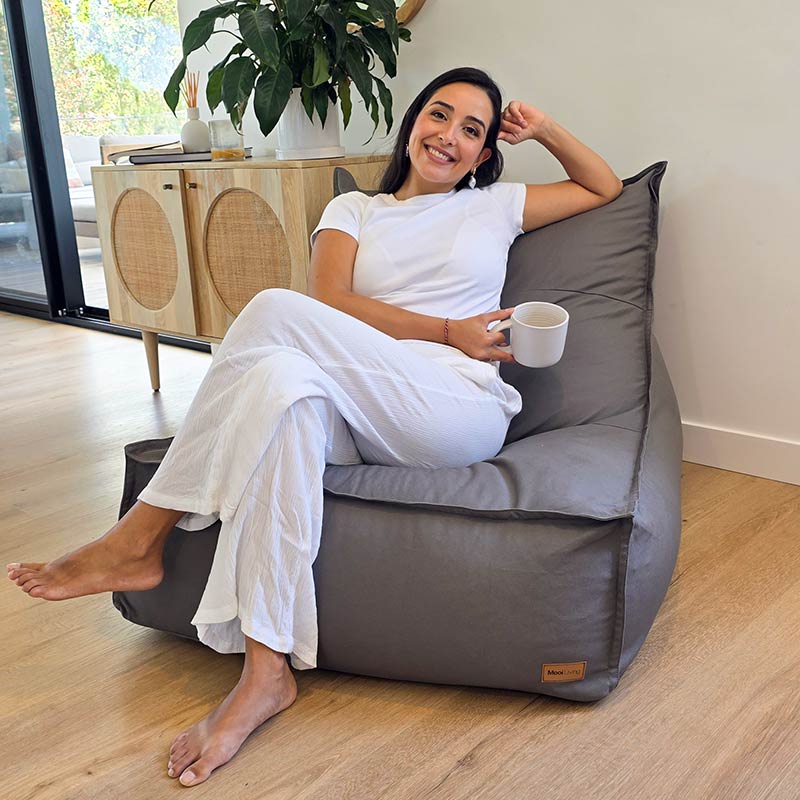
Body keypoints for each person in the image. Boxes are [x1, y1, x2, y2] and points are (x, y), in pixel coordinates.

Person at [7, 67, 622, 787]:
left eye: (472, 130)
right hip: (349, 401)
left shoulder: (497, 204)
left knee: (272, 309)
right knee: (279, 389)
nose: (449, 136)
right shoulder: (354, 211)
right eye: (439, 115)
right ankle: (267, 671)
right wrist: (446, 325)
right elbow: (330, 300)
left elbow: (601, 186)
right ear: (413, 122)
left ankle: (142, 534)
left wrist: (542, 128)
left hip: (450, 407)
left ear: (486, 153)